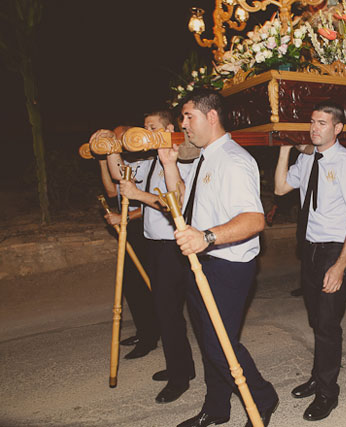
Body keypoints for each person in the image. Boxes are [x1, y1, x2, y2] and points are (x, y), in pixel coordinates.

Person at [160, 89, 278, 427]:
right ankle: (216, 408)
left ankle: (263, 396)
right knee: (209, 341)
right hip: (201, 262)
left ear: (211, 117)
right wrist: (170, 165)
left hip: (228, 266)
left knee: (220, 345)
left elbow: (254, 219)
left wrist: (206, 236)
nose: (183, 124)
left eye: (188, 117)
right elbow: (181, 202)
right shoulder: (204, 156)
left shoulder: (233, 160)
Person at [274, 101, 346, 421]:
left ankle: (329, 392)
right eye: (312, 122)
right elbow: (280, 187)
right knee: (316, 319)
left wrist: (341, 265)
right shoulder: (308, 159)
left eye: (322, 123)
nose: (315, 128)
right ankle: (319, 376)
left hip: (334, 251)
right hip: (311, 249)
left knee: (328, 324)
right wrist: (285, 150)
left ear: (337, 128)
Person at [114, 110, 197, 404]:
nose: (147, 132)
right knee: (167, 311)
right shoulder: (149, 162)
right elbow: (117, 174)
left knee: (173, 311)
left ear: (169, 128)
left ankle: (179, 378)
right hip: (155, 245)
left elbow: (172, 203)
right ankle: (182, 367)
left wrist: (137, 196)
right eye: (144, 127)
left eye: (152, 127)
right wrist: (110, 147)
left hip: (174, 245)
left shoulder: (181, 158)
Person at [103, 127, 160, 360]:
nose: (117, 143)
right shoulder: (123, 163)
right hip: (128, 226)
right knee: (129, 284)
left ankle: (151, 337)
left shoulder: (149, 161)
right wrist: (101, 158)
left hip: (144, 225)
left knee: (146, 283)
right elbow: (110, 190)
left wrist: (125, 217)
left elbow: (152, 201)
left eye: (119, 138)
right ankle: (143, 331)